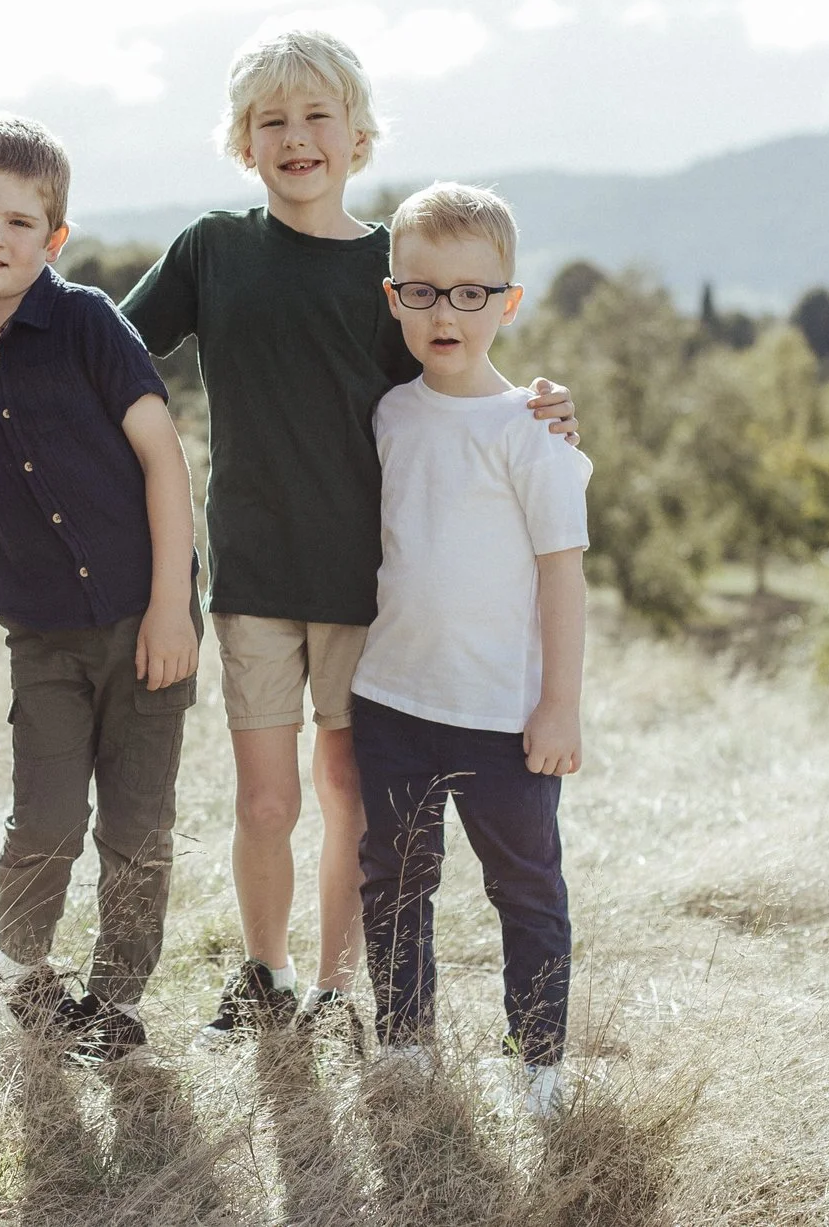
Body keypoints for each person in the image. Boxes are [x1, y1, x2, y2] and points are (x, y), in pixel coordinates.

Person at [120, 29, 577, 1052]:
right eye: (272, 120)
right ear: (244, 141)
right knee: (264, 799)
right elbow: (112, 349)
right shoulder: (213, 249)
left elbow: (460, 371)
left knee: (349, 800)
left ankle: (336, 990)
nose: (297, 137)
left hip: (368, 589)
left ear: (358, 136)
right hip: (250, 577)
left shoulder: (391, 268)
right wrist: (4, 312)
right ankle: (266, 973)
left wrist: (539, 405)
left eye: (318, 116)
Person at [0, 116, 199, 1069]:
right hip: (43, 630)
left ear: (52, 238)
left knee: (136, 826)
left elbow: (164, 461)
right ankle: (24, 975)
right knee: (46, 821)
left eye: (19, 221)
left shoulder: (88, 319)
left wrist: (170, 607)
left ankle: (116, 1000)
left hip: (145, 617)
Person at [351, 182, 589, 1119]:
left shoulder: (532, 431)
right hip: (393, 699)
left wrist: (559, 706)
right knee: (396, 879)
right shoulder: (389, 414)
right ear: (394, 297)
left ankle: (538, 1064)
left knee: (524, 888)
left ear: (509, 303)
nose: (444, 313)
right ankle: (406, 1042)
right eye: (421, 292)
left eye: (471, 293)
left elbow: (563, 576)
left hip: (502, 715)